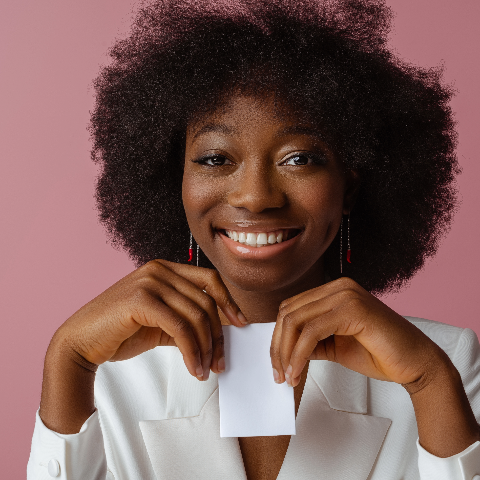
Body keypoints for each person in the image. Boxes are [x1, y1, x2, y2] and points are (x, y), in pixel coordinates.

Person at [27, 0, 480, 479]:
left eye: (299, 158)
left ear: (348, 189)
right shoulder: (107, 370)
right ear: (172, 182)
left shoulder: (440, 362)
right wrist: (67, 363)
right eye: (215, 158)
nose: (256, 196)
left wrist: (430, 385)